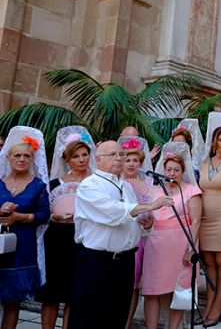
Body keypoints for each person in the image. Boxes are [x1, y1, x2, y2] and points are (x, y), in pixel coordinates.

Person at [69, 141, 173, 329]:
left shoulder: (126, 186)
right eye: (112, 155)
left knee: (118, 315)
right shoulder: (89, 185)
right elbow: (113, 212)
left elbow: (129, 221)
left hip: (125, 261)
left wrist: (145, 225)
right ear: (98, 159)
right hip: (97, 261)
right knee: (90, 317)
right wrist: (150, 206)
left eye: (121, 154)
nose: (119, 158)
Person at [39, 127, 97, 329]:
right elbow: (43, 211)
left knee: (75, 293)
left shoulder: (96, 184)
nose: (81, 159)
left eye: (84, 155)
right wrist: (54, 216)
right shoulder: (55, 184)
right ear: (67, 160)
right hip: (56, 238)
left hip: (83, 239)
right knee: (51, 293)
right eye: (76, 156)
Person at [142, 143, 202, 329]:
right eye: (169, 169)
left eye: (176, 169)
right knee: (152, 290)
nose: (172, 173)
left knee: (179, 291)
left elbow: (196, 222)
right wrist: (148, 223)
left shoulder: (192, 191)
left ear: (183, 171)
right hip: (156, 244)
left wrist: (190, 249)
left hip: (181, 243)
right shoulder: (155, 191)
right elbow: (151, 217)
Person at [0, 127, 50, 329]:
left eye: (26, 156)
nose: (21, 159)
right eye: (17, 155)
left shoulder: (38, 186)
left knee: (13, 302)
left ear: (32, 159)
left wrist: (19, 217)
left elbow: (45, 215)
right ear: (8, 158)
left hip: (22, 249)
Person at [196, 121, 221, 326]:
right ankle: (209, 305)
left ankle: (219, 305)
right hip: (203, 220)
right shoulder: (204, 164)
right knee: (209, 263)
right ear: (213, 142)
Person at [119, 146, 153, 329]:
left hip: (138, 238)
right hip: (116, 236)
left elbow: (151, 211)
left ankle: (127, 322)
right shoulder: (115, 183)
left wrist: (148, 220)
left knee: (133, 282)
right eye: (127, 160)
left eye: (135, 161)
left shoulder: (146, 185)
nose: (131, 164)